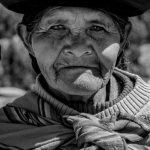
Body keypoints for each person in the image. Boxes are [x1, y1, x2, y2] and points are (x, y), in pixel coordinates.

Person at [0, 0, 150, 149]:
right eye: (57, 27)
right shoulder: (6, 132)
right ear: (27, 39)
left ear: (123, 38)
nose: (78, 49)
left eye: (97, 28)